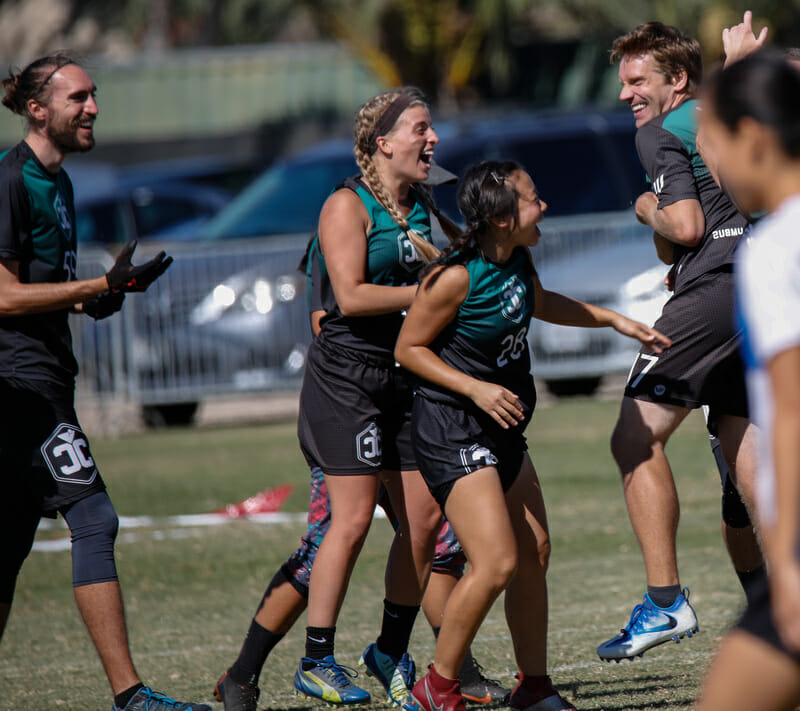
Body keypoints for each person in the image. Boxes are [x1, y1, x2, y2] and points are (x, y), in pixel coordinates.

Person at [394, 159, 671, 711]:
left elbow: (538, 303)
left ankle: (535, 689)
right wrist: (475, 389)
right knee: (495, 561)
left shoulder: (517, 259)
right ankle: (437, 686)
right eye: (532, 198)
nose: (543, 207)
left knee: (534, 550)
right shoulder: (454, 277)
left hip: (502, 429)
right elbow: (408, 350)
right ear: (501, 217)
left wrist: (613, 319)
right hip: (454, 428)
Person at [213, 231, 508, 711]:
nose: (432, 166)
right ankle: (244, 674)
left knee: (436, 537)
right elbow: (323, 320)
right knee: (325, 545)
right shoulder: (346, 223)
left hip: (405, 396)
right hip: (352, 403)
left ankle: (454, 670)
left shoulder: (423, 217)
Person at [0, 54, 209, 711]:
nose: (93, 107)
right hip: (18, 389)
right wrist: (94, 285)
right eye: (79, 97)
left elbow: (42, 289)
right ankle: (131, 697)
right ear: (38, 109)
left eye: (95, 95)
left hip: (47, 381)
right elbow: (4, 297)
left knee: (6, 546)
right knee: (95, 515)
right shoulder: (10, 180)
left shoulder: (58, 183)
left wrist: (104, 298)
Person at [597, 22, 763, 662]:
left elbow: (684, 227)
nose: (626, 94)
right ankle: (786, 605)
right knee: (744, 451)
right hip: (758, 287)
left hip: (715, 290)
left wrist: (643, 206)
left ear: (677, 81)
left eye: (637, 81)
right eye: (623, 82)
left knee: (634, 435)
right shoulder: (717, 115)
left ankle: (666, 603)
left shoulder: (659, 131)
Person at [286, 87, 452, 708]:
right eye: (420, 129)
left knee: (424, 521)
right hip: (346, 381)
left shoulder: (423, 204)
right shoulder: (346, 204)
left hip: (402, 377)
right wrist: (429, 294)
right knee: (351, 518)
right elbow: (349, 297)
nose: (432, 140)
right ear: (383, 144)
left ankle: (387, 648)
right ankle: (316, 660)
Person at [695, 50, 800, 711]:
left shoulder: (771, 249)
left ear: (753, 138)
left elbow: (790, 413)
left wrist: (785, 563)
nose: (714, 164)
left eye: (716, 142)